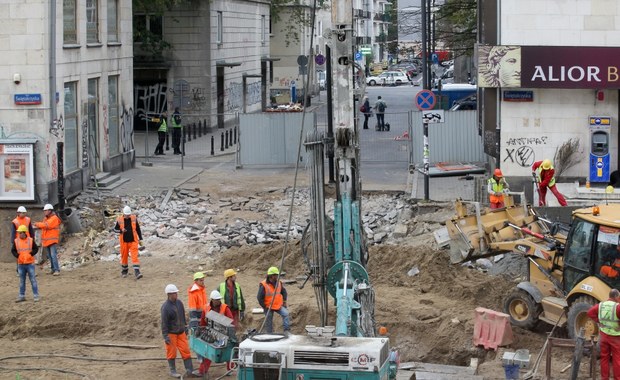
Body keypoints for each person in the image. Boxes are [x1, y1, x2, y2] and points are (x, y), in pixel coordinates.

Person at [196, 290, 235, 376]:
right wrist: (202, 330)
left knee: (228, 350)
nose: (218, 301)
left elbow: (231, 321)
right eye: (216, 300)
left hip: (223, 334)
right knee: (208, 351)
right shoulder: (206, 308)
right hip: (211, 332)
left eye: (219, 299)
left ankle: (230, 369)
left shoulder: (225, 308)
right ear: (212, 300)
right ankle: (202, 371)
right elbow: (203, 321)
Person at [161, 284, 195, 378]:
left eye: (176, 292)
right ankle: (173, 370)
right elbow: (164, 323)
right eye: (174, 293)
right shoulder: (165, 307)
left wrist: (185, 326)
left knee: (186, 351)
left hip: (181, 332)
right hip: (171, 333)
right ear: (169, 294)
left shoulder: (179, 303)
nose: (176, 294)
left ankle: (189, 370)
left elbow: (182, 316)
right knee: (171, 352)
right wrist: (165, 336)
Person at [587, 288, 620, 380]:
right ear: (616, 296)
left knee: (604, 358)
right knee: (617, 359)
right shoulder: (617, 307)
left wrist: (598, 321)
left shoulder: (600, 305)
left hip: (604, 336)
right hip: (616, 337)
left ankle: (604, 378)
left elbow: (589, 313)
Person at [113, 206, 144, 279]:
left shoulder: (133, 218)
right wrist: (121, 230)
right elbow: (115, 230)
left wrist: (141, 239)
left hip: (133, 241)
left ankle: (137, 272)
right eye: (126, 215)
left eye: (128, 215)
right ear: (123, 214)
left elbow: (138, 229)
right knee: (124, 256)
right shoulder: (119, 219)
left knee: (134, 256)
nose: (127, 216)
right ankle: (124, 271)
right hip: (124, 242)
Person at [257, 266, 290, 334]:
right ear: (271, 276)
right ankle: (269, 334)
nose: (277, 276)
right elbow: (259, 297)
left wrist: (284, 301)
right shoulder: (264, 285)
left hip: (277, 305)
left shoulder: (279, 283)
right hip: (268, 306)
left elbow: (284, 292)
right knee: (269, 319)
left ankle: (287, 331)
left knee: (286, 314)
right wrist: (264, 306)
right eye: (276, 275)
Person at [12, 225, 40, 302]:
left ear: (24, 233)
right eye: (19, 233)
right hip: (21, 264)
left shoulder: (30, 240)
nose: (19, 234)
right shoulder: (16, 241)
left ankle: (36, 295)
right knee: (22, 281)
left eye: (20, 232)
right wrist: (18, 256)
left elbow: (36, 248)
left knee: (33, 280)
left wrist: (31, 254)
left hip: (29, 263)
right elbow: (13, 250)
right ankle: (22, 296)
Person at [34, 204, 63, 275]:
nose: (44, 212)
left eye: (45, 210)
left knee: (53, 255)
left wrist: (37, 224)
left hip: (52, 240)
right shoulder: (46, 218)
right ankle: (53, 269)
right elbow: (44, 225)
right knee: (50, 256)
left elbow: (47, 225)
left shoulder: (54, 218)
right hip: (47, 240)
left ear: (50, 210)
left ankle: (57, 270)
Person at [11, 206, 34, 275]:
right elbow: (13, 232)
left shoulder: (28, 219)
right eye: (22, 213)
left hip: (28, 240)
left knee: (29, 256)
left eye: (24, 213)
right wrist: (13, 241)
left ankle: (30, 270)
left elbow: (31, 230)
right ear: (18, 213)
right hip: (18, 241)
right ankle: (19, 270)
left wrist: (33, 238)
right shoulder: (15, 221)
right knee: (19, 256)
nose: (23, 214)